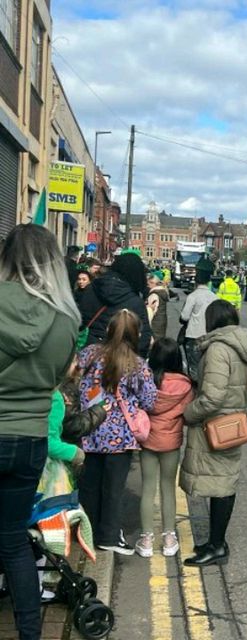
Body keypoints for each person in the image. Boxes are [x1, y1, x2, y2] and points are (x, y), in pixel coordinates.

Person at [0, 224, 79, 640]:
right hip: (30, 440)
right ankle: (30, 634)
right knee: (12, 540)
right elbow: (55, 377)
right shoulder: (66, 319)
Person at [180, 301, 247, 566]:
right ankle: (217, 541)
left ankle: (216, 546)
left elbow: (212, 397)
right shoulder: (243, 347)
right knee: (224, 482)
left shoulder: (217, 349)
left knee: (221, 485)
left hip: (215, 424)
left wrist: (189, 413)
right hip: (235, 421)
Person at [77, 310, 157, 555]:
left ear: (109, 330)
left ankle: (86, 532)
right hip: (120, 437)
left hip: (89, 430)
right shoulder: (137, 365)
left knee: (89, 484)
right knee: (113, 487)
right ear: (135, 334)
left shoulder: (89, 353)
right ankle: (109, 535)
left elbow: (73, 377)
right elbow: (150, 399)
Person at [135, 338, 193, 558]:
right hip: (171, 441)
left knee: (148, 487)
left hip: (148, 439)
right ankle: (169, 538)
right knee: (168, 487)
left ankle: (147, 539)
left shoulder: (146, 381)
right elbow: (187, 415)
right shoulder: (186, 385)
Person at [78, 252, 153, 357]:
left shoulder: (91, 289)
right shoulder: (135, 301)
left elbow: (80, 320)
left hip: (90, 353)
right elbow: (143, 339)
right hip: (119, 358)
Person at [180, 260, 218, 381]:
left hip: (193, 336)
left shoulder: (193, 296)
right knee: (206, 367)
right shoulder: (214, 297)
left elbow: (184, 317)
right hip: (208, 336)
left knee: (194, 368)